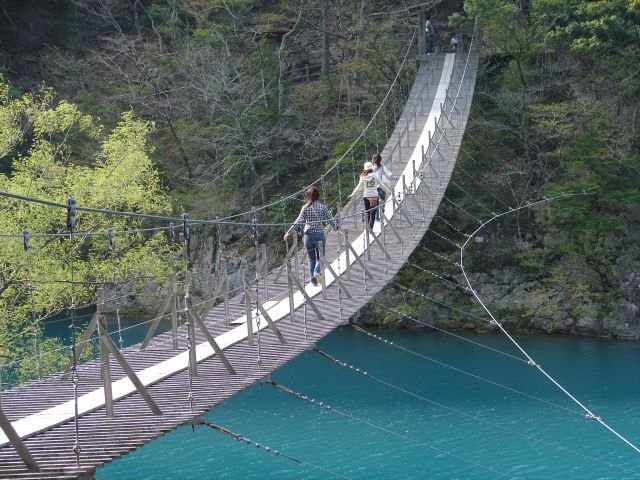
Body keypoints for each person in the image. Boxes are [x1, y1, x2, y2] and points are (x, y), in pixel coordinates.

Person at [284, 186, 339, 286]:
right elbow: (330, 219)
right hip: (319, 235)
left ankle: (313, 281)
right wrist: (336, 228)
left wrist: (289, 232)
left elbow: (298, 221)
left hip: (308, 236)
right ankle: (317, 273)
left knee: (311, 258)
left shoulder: (305, 208)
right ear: (318, 196)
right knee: (320, 257)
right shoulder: (322, 207)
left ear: (308, 196)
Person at [349, 161, 393, 230]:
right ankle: (370, 229)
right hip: (374, 197)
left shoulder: (362, 176)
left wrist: (352, 194)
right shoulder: (376, 176)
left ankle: (368, 229)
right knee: (373, 215)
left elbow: (358, 187)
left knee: (368, 213)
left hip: (366, 197)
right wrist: (389, 192)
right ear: (372, 168)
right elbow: (382, 185)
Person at [371, 152, 392, 221]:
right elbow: (388, 176)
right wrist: (390, 173)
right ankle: (382, 211)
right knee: (382, 200)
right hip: (382, 187)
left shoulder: (371, 169)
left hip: (374, 187)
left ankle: (376, 217)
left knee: (375, 202)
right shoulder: (383, 167)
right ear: (380, 160)